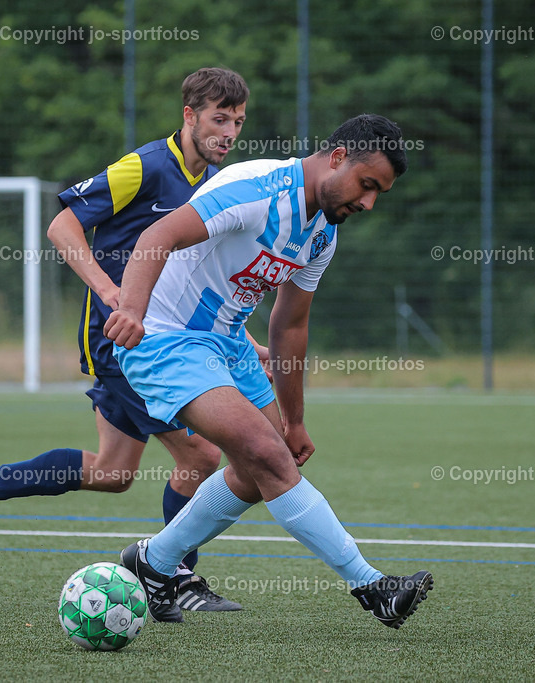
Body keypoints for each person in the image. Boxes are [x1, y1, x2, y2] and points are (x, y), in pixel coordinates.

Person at [0, 67, 255, 615]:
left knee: (112, 472)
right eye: (218, 119)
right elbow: (62, 226)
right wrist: (112, 294)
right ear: (189, 116)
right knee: (200, 452)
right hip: (121, 341)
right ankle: (173, 580)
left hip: (163, 338)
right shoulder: (147, 166)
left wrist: (240, 340)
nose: (228, 132)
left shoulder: (215, 186)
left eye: (238, 122)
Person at [106, 114, 433, 627]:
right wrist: (130, 308)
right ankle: (371, 587)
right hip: (165, 336)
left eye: (378, 195)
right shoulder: (256, 190)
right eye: (367, 185)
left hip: (229, 344)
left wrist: (295, 419)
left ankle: (153, 562)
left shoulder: (323, 232)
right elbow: (158, 235)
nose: (368, 203)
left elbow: (289, 327)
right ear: (338, 157)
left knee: (262, 470)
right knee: (266, 456)